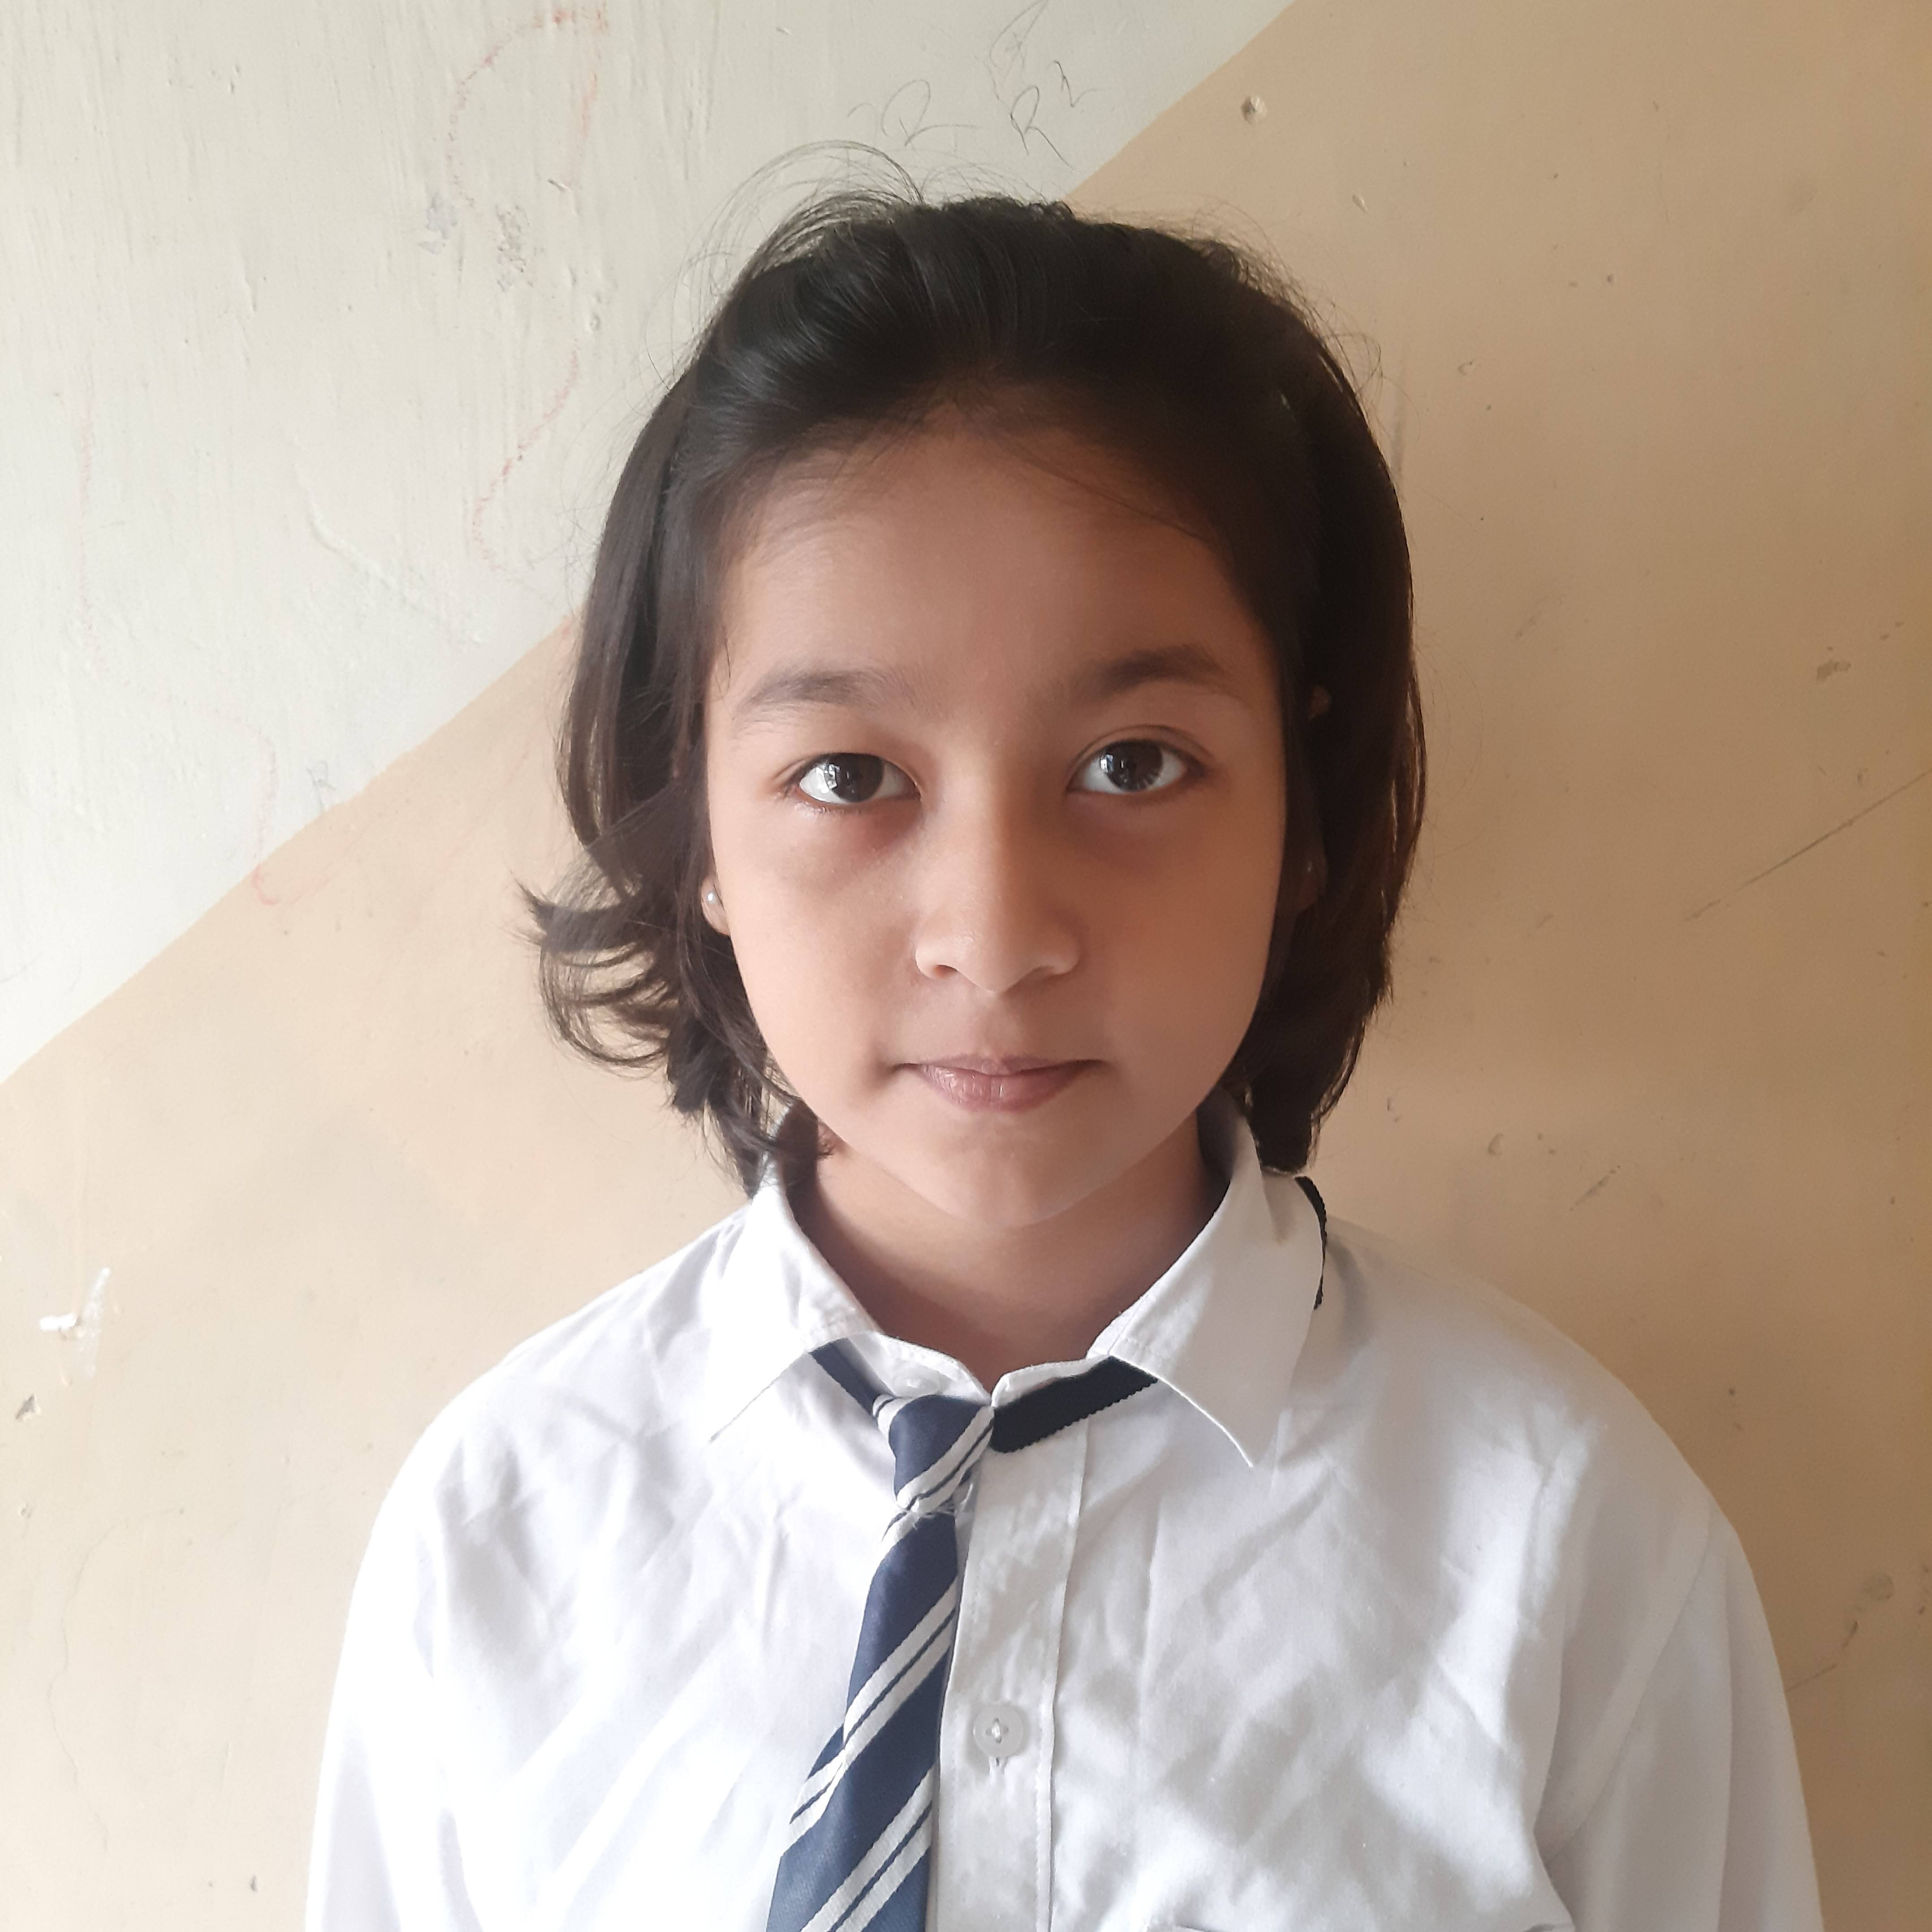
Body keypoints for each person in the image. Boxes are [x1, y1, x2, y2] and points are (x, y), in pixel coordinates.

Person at [306, 187, 1823, 1932]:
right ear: (697, 822)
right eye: (849, 778)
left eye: (1133, 764)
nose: (995, 932)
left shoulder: (1568, 1541)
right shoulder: (503, 1529)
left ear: (1301, 814)